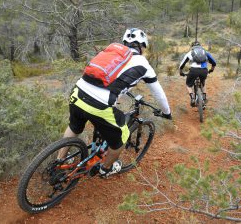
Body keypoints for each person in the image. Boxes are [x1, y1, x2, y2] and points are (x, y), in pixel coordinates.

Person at [59, 28, 172, 178]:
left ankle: (60, 160)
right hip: (100, 104)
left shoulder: (112, 54)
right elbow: (159, 94)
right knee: (121, 137)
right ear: (142, 46)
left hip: (78, 91)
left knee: (74, 126)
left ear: (125, 43)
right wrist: (167, 112)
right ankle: (105, 169)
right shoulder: (143, 64)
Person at [178, 41, 216, 106]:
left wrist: (181, 72)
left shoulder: (190, 53)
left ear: (192, 47)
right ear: (200, 46)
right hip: (204, 71)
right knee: (203, 83)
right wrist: (211, 70)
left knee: (188, 85)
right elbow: (214, 62)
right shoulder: (205, 52)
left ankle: (192, 98)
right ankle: (204, 98)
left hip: (194, 71)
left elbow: (182, 64)